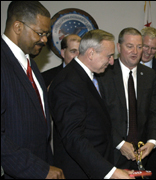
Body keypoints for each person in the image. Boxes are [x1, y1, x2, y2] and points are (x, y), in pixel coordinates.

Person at [48, 29, 135, 179]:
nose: (112, 62)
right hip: (80, 172)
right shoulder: (68, 82)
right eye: (109, 56)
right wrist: (110, 172)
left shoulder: (85, 77)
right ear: (91, 53)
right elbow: (74, 137)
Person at [1, 2, 64, 179]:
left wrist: (47, 165)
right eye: (40, 33)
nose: (45, 40)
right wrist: (39, 170)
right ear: (18, 26)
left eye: (46, 35)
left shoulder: (32, 66)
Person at [98, 27, 156, 171]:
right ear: (119, 47)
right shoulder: (104, 73)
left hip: (141, 153)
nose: (135, 51)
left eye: (139, 47)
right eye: (130, 46)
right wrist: (120, 143)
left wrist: (151, 141)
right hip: (112, 152)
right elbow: (99, 117)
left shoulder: (149, 75)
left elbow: (153, 112)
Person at [140, 27, 156, 179]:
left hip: (152, 138)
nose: (149, 51)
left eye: (153, 48)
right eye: (146, 46)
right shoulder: (125, 65)